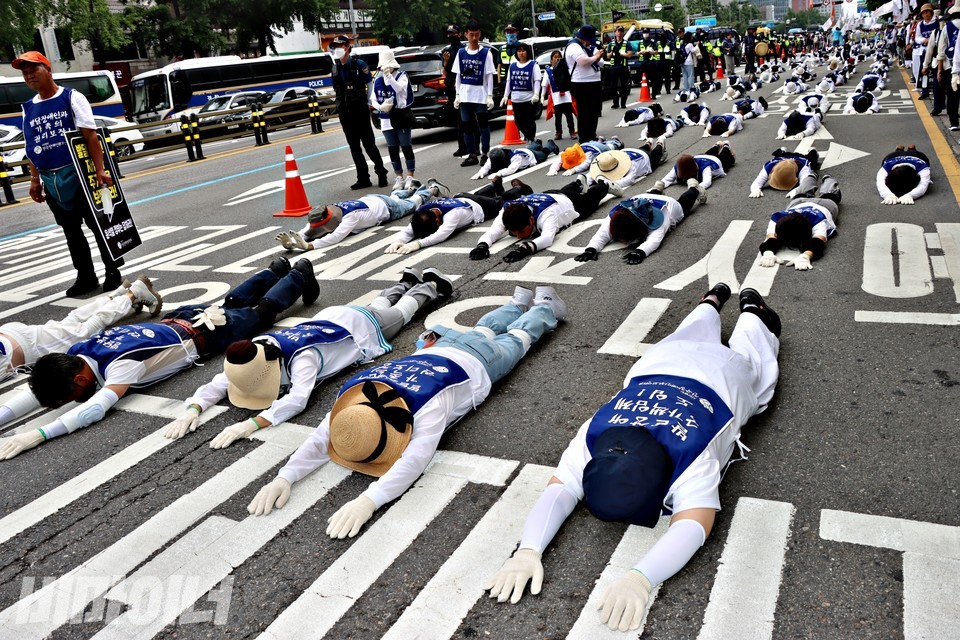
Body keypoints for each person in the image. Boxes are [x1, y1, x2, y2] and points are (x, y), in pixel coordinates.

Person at [485, 283, 781, 632]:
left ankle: (741, 311)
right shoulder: (594, 437)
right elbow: (561, 490)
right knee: (691, 338)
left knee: (756, 367)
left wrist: (642, 578)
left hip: (716, 371)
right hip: (659, 367)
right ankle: (724, 305)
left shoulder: (687, 457)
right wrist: (527, 551)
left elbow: (694, 525)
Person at [247, 286, 568, 539]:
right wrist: (284, 477)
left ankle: (544, 306)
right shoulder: (359, 392)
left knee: (518, 338)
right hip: (441, 347)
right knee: (482, 330)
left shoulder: (422, 407)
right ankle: (517, 303)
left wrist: (369, 500)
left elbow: (414, 458)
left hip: (475, 363)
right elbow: (326, 435)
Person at [0, 257, 320, 460]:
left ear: (81, 380)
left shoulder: (120, 367)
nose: (74, 402)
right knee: (231, 302)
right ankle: (273, 271)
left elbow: (94, 410)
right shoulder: (74, 355)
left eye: (69, 398)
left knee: (259, 314)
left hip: (203, 333)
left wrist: (38, 434)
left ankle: (298, 275)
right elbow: (34, 391)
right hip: (180, 320)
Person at [166, 267, 452, 447]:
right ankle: (405, 281)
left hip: (358, 327)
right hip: (335, 316)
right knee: (378, 305)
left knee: (402, 313)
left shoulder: (302, 358)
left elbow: (298, 398)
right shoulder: (257, 350)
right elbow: (221, 380)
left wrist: (252, 423)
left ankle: (429, 284)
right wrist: (194, 408)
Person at [14, 51, 125, 297]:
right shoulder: (29, 108)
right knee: (71, 230)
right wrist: (34, 180)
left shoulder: (71, 97)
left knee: (97, 225)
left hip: (80, 175)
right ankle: (85, 275)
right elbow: (31, 147)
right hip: (51, 179)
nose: (30, 75)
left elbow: (90, 136)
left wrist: (99, 169)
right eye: (25, 72)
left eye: (34, 69)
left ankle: (112, 269)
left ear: (47, 68)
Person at [0, 277, 160, 395]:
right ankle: (117, 295)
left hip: (25, 346)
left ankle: (133, 293)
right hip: (14, 338)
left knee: (85, 331)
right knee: (69, 323)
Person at [275, 179, 448, 252]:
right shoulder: (329, 209)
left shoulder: (351, 217)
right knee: (395, 197)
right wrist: (294, 240)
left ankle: (431, 189)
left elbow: (336, 237)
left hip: (387, 209)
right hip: (374, 200)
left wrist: (310, 246)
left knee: (412, 204)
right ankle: (408, 188)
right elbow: (309, 227)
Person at [469, 180, 617, 263]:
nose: (519, 237)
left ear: (531, 219)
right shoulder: (507, 211)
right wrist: (482, 246)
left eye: (522, 231)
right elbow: (493, 232)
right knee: (561, 190)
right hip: (549, 194)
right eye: (514, 232)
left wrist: (524, 249)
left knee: (591, 200)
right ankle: (577, 183)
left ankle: (604, 185)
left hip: (569, 202)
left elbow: (547, 238)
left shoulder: (547, 213)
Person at [384, 178, 531, 254]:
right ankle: (493, 187)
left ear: (437, 220)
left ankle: (518, 188)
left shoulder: (452, 215)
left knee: (501, 201)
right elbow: (411, 228)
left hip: (479, 208)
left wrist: (418, 244)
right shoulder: (424, 211)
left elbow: (441, 234)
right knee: (480, 195)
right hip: (462, 197)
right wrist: (399, 241)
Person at [575, 187, 705, 265]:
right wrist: (591, 249)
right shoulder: (616, 215)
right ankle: (656, 190)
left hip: (668, 204)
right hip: (641, 198)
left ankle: (694, 189)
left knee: (684, 205)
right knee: (649, 197)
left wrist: (640, 252)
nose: (622, 242)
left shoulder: (662, 218)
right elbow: (602, 234)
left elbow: (655, 240)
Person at [328, 35, 388, 190]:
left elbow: (369, 82)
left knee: (369, 144)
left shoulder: (358, 64)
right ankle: (363, 178)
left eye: (339, 46)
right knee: (354, 147)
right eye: (334, 46)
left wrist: (369, 101)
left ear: (347, 47)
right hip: (345, 112)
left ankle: (381, 173)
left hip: (359, 110)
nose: (336, 49)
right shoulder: (335, 67)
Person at [758, 176, 842, 271]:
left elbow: (818, 242)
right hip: (798, 204)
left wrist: (805, 256)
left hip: (824, 204)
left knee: (829, 195)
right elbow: (771, 239)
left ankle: (827, 179)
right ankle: (813, 177)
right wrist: (767, 253)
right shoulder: (777, 218)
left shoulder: (818, 221)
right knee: (801, 194)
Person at [370, 50, 417, 191]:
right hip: (385, 118)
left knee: (406, 145)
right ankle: (399, 176)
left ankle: (410, 176)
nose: (385, 68)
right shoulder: (378, 80)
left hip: (401, 116)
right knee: (392, 148)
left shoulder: (402, 76)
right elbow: (372, 98)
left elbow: (399, 89)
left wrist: (389, 77)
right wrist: (381, 107)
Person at [454, 20, 498, 168]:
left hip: (480, 94)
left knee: (483, 125)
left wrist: (490, 95)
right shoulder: (461, 53)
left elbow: (489, 75)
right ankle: (472, 153)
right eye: (471, 35)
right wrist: (457, 94)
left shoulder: (486, 53)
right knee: (466, 126)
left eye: (477, 35)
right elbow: (458, 76)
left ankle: (485, 153)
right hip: (465, 94)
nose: (474, 38)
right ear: (466, 34)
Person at [566, 25, 606, 144]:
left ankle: (592, 135)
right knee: (584, 112)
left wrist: (596, 57)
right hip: (581, 83)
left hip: (594, 82)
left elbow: (601, 63)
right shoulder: (574, 46)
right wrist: (596, 56)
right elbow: (583, 62)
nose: (590, 43)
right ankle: (584, 138)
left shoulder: (589, 48)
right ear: (584, 38)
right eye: (590, 40)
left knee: (594, 111)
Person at [501, 43, 541, 142]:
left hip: (529, 99)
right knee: (518, 121)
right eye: (519, 51)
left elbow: (537, 81)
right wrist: (505, 95)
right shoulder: (513, 66)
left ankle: (532, 139)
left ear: (527, 52)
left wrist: (536, 94)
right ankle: (529, 136)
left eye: (523, 51)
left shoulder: (533, 65)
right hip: (516, 99)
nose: (521, 53)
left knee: (529, 120)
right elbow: (509, 81)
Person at [654, 144, 734, 191]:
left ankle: (726, 145)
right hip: (700, 156)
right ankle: (716, 145)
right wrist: (655, 188)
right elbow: (667, 179)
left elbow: (707, 182)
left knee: (727, 157)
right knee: (708, 153)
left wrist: (694, 189)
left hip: (715, 161)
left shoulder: (706, 168)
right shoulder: (678, 165)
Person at [587, 143, 666, 190]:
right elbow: (590, 174)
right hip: (629, 151)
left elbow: (629, 180)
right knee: (642, 149)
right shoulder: (604, 162)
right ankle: (648, 144)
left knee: (655, 157)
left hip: (644, 157)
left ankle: (660, 144)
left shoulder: (630, 165)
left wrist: (607, 184)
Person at [442, 25, 470, 157]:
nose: (450, 36)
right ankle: (462, 146)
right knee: (458, 118)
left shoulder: (464, 50)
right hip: (452, 87)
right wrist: (446, 62)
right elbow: (444, 72)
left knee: (467, 117)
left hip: (464, 86)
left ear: (459, 34)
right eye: (448, 34)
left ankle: (472, 146)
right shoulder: (447, 51)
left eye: (452, 34)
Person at [749, 148, 820, 198]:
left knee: (813, 159)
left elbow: (805, 183)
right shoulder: (769, 167)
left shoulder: (803, 168)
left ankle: (812, 151)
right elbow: (756, 183)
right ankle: (782, 150)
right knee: (778, 154)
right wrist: (755, 189)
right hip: (782, 157)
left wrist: (797, 190)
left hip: (801, 158)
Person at [471, 140, 558, 180]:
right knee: (531, 148)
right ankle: (536, 143)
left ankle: (550, 144)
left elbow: (511, 170)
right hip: (523, 150)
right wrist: (481, 172)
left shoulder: (516, 158)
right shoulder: (494, 156)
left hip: (530, 156)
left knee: (543, 154)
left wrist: (498, 173)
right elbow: (486, 167)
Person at [541, 50, 577, 140]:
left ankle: (572, 131)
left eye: (559, 57)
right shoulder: (548, 71)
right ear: (551, 60)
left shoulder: (565, 68)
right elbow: (545, 85)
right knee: (558, 117)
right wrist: (542, 96)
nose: (557, 59)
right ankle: (558, 132)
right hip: (556, 98)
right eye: (555, 57)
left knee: (569, 116)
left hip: (566, 96)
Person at [546, 137, 623, 176]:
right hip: (587, 144)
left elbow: (585, 165)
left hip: (599, 148)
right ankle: (600, 140)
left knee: (612, 146)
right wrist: (553, 169)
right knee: (595, 142)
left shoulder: (589, 154)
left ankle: (615, 140)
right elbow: (558, 160)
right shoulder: (569, 152)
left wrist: (573, 170)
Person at [606, 26, 634, 109]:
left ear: (623, 33)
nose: (620, 33)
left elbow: (629, 55)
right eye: (618, 31)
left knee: (624, 86)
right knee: (613, 86)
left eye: (621, 31)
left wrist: (620, 54)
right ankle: (615, 103)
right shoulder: (611, 44)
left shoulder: (626, 43)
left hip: (623, 67)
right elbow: (607, 56)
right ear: (615, 32)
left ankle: (623, 103)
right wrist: (612, 52)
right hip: (614, 67)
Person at [914, 4, 938, 98]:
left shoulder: (937, 21)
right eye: (924, 12)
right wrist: (923, 40)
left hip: (935, 50)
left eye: (927, 12)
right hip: (924, 50)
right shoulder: (920, 24)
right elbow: (917, 37)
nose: (926, 14)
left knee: (935, 71)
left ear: (931, 12)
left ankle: (936, 90)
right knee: (924, 71)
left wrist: (933, 40)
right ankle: (924, 91)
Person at [637, 29, 661, 100]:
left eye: (646, 33)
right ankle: (647, 94)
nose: (645, 34)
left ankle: (654, 94)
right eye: (644, 33)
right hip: (643, 64)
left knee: (654, 80)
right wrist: (641, 52)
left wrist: (650, 51)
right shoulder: (640, 43)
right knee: (645, 80)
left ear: (649, 33)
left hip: (652, 64)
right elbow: (637, 53)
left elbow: (657, 51)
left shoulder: (653, 42)